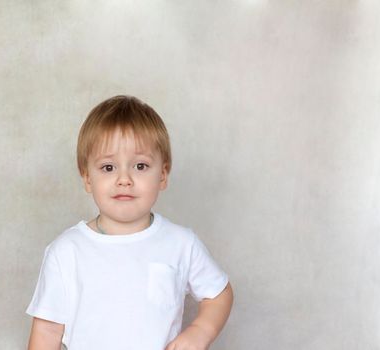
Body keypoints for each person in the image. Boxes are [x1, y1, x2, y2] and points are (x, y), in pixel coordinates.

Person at [26, 95, 234, 350]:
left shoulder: (181, 243)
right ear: (87, 178)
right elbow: (47, 331)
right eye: (108, 168)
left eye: (140, 165)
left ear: (163, 175)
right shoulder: (67, 251)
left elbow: (219, 294)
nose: (124, 179)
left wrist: (200, 332)